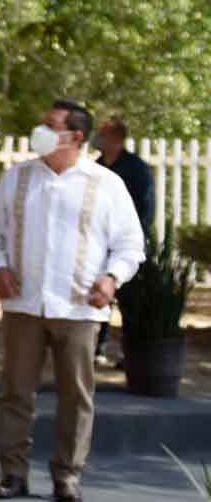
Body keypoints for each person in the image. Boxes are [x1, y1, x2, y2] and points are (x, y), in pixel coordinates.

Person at [0, 99, 144, 502]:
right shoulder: (18, 177)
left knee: (76, 395)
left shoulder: (106, 184)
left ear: (75, 136)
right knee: (16, 393)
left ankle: (68, 475)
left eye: (49, 124)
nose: (41, 129)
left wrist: (112, 278)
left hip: (79, 308)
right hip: (24, 304)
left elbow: (130, 244)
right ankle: (12, 474)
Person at [91, 118, 156, 366]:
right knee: (100, 294)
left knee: (129, 302)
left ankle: (128, 352)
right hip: (99, 245)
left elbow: (145, 210)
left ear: (116, 139)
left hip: (124, 245)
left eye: (104, 135)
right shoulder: (96, 168)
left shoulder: (136, 169)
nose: (99, 139)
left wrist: (135, 243)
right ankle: (99, 347)